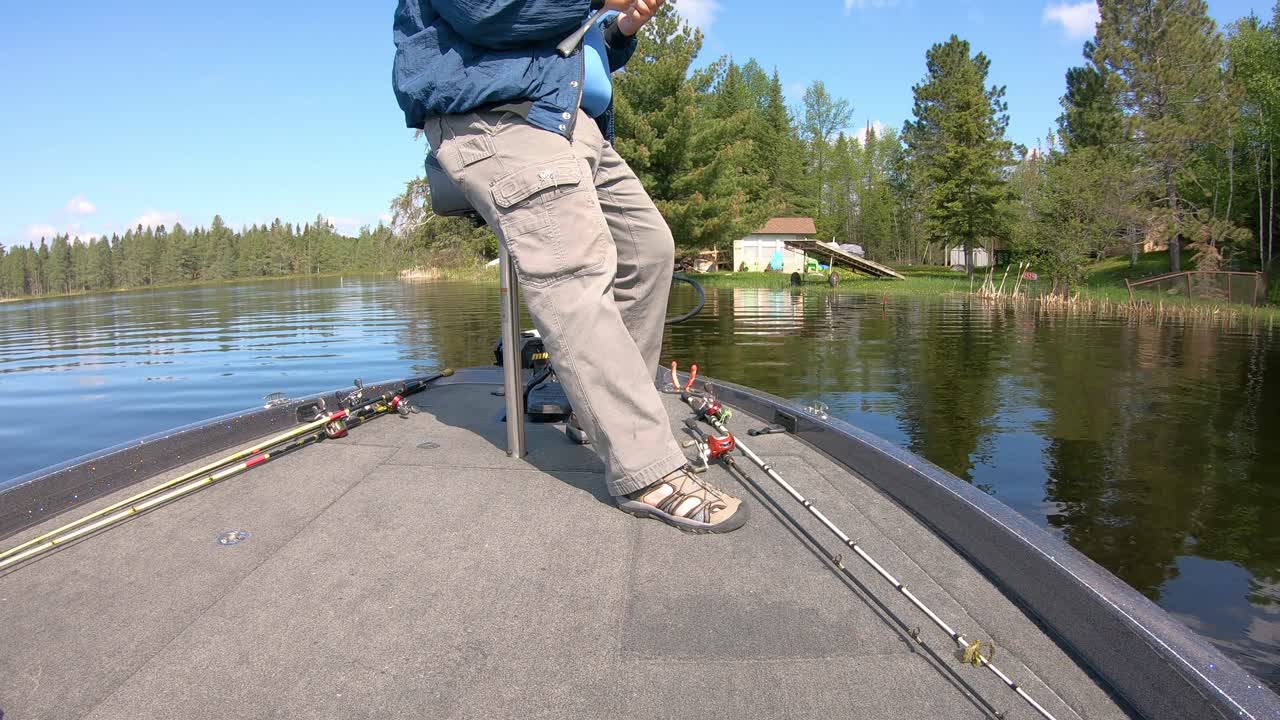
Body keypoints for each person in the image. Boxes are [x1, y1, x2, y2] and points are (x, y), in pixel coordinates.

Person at [393, 0, 749, 533]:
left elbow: (563, 46)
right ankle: (646, 468)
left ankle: (603, 414)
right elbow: (485, 13)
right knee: (574, 270)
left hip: (570, 121)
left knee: (648, 249)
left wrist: (619, 29)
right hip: (497, 117)